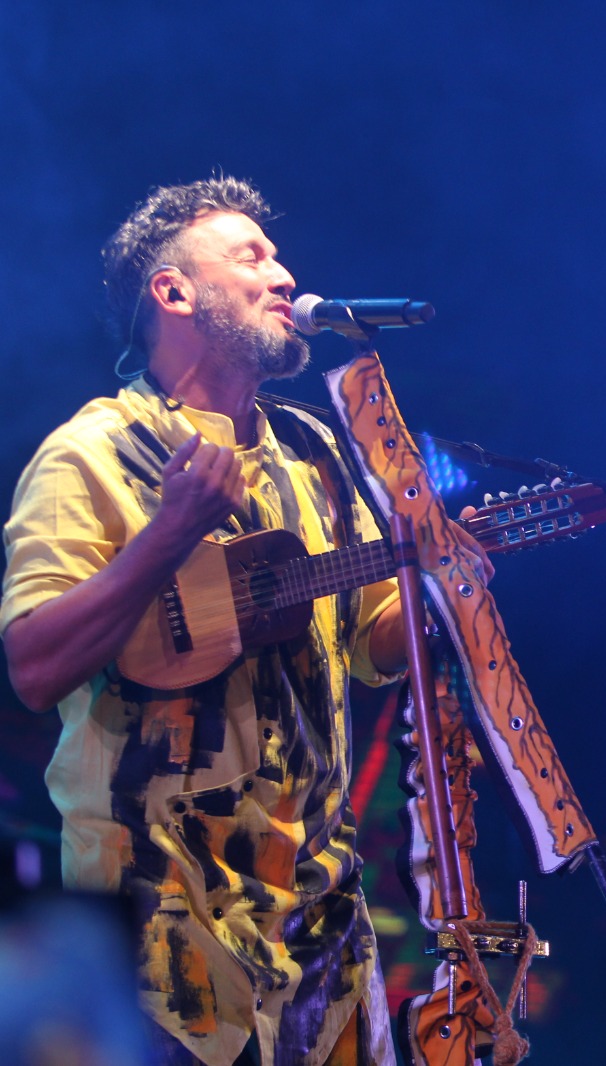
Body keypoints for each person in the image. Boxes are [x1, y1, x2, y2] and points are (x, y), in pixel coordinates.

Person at [0, 176, 464, 1066]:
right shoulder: (90, 454)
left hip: (322, 922)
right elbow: (33, 666)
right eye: (251, 256)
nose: (284, 276)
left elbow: (373, 642)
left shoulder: (313, 449)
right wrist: (169, 533)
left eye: (278, 256)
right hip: (158, 928)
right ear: (174, 293)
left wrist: (443, 588)